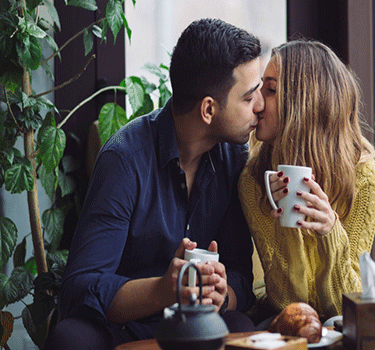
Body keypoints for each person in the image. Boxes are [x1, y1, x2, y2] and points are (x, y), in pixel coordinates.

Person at [45, 18, 263, 349]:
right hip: (125, 326)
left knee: (239, 323)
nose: (259, 107)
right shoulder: (124, 159)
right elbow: (79, 289)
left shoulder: (233, 158)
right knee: (70, 338)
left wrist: (223, 294)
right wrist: (162, 290)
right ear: (208, 109)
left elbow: (239, 274)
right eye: (249, 98)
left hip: (198, 324)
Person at [238, 40, 375, 325]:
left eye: (271, 90)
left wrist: (331, 233)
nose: (257, 103)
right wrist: (286, 224)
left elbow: (345, 308)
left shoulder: (364, 177)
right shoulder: (255, 179)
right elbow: (289, 305)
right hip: (281, 324)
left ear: (303, 102)